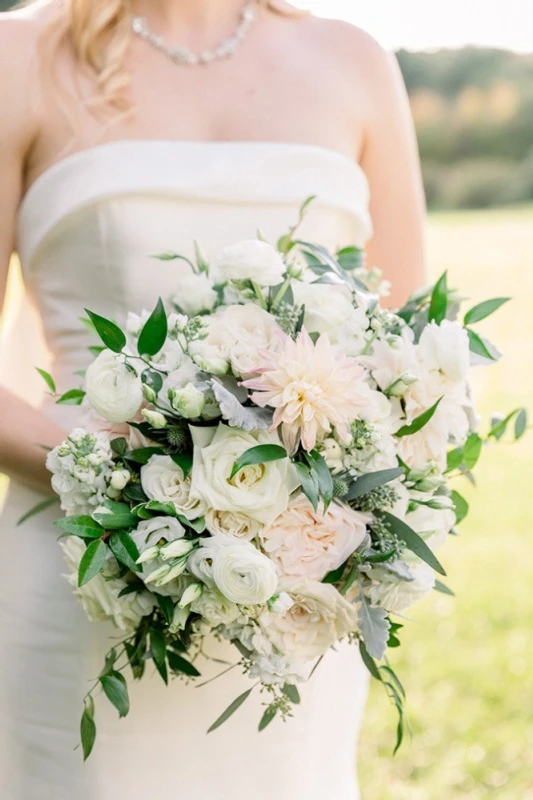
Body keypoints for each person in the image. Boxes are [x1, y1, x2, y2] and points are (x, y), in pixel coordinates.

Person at [0, 1, 426, 797]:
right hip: (82, 567)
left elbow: (413, 355)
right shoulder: (17, 55)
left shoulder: (352, 59)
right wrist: (131, 488)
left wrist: (299, 520)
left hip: (295, 592)